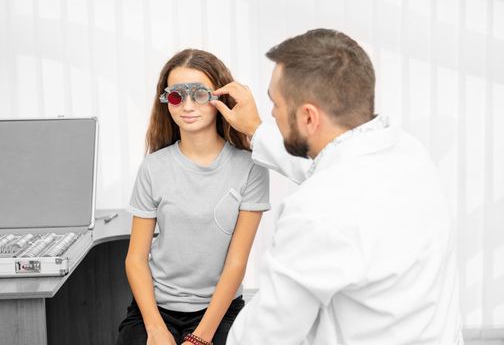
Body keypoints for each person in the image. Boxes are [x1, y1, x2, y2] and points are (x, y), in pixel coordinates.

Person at [210, 29, 463, 344]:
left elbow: (265, 335)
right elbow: (330, 168)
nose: (271, 112)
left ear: (309, 117)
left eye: (274, 103)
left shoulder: (316, 210)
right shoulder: (408, 152)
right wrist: (256, 130)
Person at [116, 49, 270, 345]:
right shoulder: (153, 166)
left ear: (220, 98)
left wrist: (200, 337)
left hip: (219, 311)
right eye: (176, 96)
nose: (187, 106)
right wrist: (156, 328)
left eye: (199, 94)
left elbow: (236, 263)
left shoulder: (250, 167)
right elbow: (135, 259)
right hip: (155, 309)